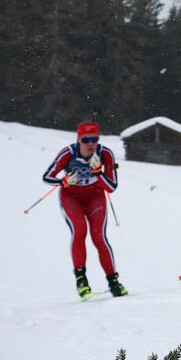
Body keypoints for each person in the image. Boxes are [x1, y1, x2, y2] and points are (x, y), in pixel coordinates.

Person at [42, 122, 127, 299]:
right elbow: (47, 176)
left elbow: (111, 186)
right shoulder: (68, 153)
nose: (90, 144)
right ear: (79, 140)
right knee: (80, 231)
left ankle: (114, 282)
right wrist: (63, 181)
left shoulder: (105, 154)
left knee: (99, 237)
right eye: (86, 140)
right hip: (71, 197)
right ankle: (81, 281)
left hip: (95, 196)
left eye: (94, 139)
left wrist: (97, 172)